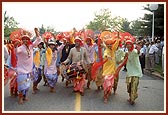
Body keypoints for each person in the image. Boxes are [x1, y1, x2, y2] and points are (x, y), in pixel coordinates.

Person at [15, 28, 42, 104]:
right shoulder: (20, 48)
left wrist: (37, 32)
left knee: (27, 84)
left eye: (27, 39)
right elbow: (16, 52)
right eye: (24, 39)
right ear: (22, 41)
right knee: (21, 84)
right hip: (21, 70)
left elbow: (38, 40)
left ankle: (25, 95)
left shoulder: (31, 46)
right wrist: (15, 46)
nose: (25, 41)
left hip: (29, 70)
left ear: (29, 40)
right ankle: (20, 97)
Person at [125, 40, 143, 105]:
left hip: (136, 72)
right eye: (127, 44)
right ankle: (130, 96)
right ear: (126, 46)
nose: (128, 45)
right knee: (129, 86)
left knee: (134, 85)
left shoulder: (134, 51)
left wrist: (138, 50)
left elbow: (138, 53)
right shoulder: (126, 53)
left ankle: (133, 99)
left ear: (132, 45)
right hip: (129, 72)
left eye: (130, 44)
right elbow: (123, 60)